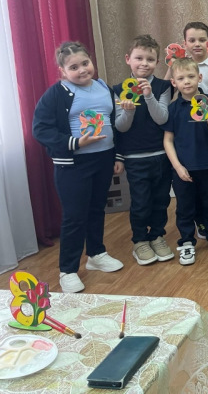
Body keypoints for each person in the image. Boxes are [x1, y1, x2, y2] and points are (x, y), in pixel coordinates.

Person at [33, 41, 125, 293]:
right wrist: (75, 142)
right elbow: (40, 129)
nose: (82, 69)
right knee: (74, 216)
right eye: (74, 67)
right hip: (73, 164)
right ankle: (68, 269)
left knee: (97, 209)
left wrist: (117, 156)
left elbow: (113, 123)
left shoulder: (103, 87)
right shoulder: (57, 93)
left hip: (103, 159)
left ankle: (96, 254)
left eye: (85, 63)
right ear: (63, 71)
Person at [113, 35, 174, 266]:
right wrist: (128, 111)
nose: (144, 63)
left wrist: (148, 96)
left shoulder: (163, 87)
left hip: (161, 155)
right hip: (135, 158)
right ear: (128, 59)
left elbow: (162, 118)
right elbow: (120, 127)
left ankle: (157, 236)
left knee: (161, 200)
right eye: (138, 58)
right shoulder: (118, 90)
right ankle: (139, 241)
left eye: (150, 59)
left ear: (157, 62)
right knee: (140, 202)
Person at [162, 57, 208, 266]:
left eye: (190, 76)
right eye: (181, 78)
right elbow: (168, 140)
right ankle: (187, 241)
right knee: (185, 207)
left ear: (199, 77)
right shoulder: (173, 108)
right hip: (183, 169)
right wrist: (177, 166)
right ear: (174, 83)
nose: (187, 81)